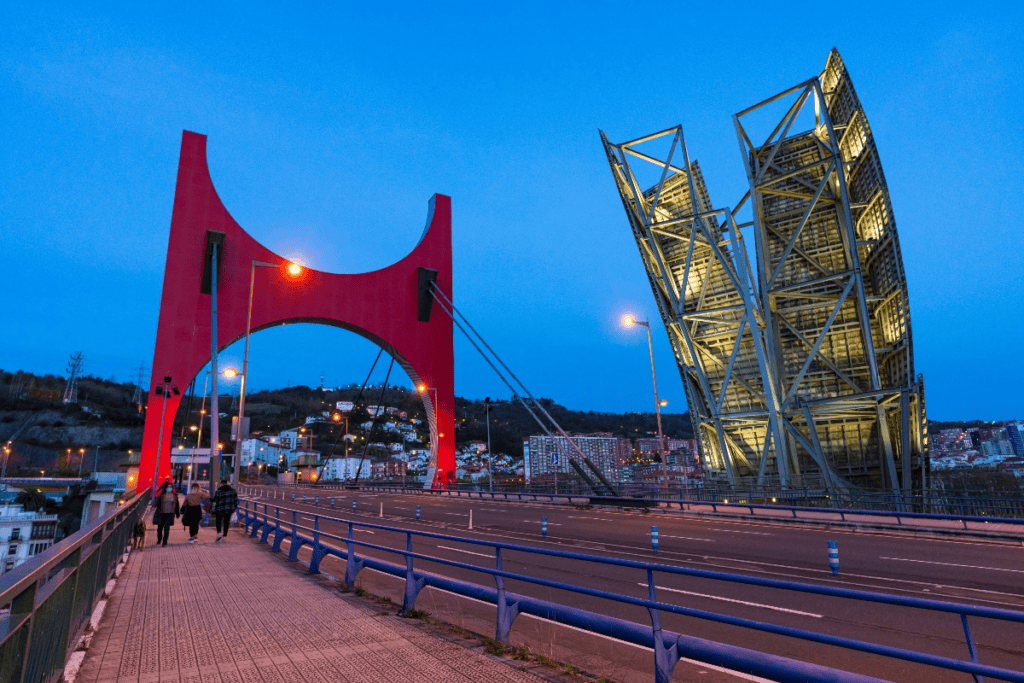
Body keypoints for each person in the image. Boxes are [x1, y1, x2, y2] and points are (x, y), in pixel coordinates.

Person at [152, 480, 179, 547]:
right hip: (161, 513)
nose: (169, 488)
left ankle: (165, 541)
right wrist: (154, 503)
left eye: (170, 487)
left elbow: (177, 505)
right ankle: (159, 539)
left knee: (167, 528)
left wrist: (177, 513)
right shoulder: (162, 496)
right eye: (168, 487)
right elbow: (156, 503)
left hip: (170, 514)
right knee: (159, 528)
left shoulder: (174, 496)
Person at [211, 478, 238, 542]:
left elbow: (215, 500)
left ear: (221, 484)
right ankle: (224, 537)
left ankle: (219, 533)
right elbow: (235, 500)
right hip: (229, 509)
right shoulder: (233, 491)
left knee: (218, 521)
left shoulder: (219, 491)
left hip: (220, 509)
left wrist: (209, 499)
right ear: (227, 483)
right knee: (226, 522)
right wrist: (234, 508)